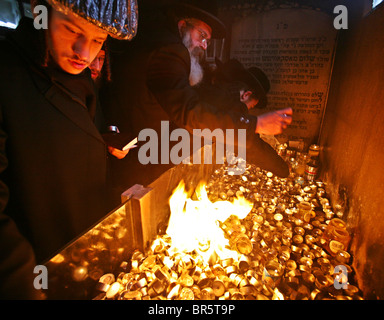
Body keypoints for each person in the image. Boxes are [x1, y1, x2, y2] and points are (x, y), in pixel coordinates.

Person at [0, 0, 138, 299]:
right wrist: (18, 279)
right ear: (40, 13)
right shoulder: (6, 71)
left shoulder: (80, 77)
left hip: (86, 249)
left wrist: (102, 143)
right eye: (71, 29)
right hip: (40, 265)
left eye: (98, 40)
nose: (84, 53)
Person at [100, 0, 292, 190]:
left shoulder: (159, 43)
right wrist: (256, 124)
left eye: (207, 40)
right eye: (202, 35)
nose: (204, 45)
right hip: (139, 163)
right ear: (183, 25)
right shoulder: (169, 51)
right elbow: (189, 113)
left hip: (138, 154)